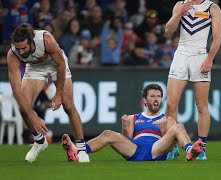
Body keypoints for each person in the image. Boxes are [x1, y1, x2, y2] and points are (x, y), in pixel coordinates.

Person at [6, 23, 90, 163]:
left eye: (24, 48)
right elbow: (16, 89)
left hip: (56, 64)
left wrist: (58, 93)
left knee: (68, 105)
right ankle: (39, 141)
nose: (21, 52)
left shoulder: (46, 40)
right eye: (18, 48)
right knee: (23, 109)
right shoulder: (13, 53)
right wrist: (33, 115)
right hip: (34, 68)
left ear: (31, 41)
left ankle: (81, 149)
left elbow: (61, 64)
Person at [61, 84, 203, 161]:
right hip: (135, 149)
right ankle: (78, 151)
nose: (156, 99)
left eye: (159, 96)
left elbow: (171, 146)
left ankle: (191, 151)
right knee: (108, 133)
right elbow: (127, 140)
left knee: (179, 127)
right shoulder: (133, 118)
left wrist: (163, 131)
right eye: (152, 96)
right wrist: (125, 128)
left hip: (156, 148)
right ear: (145, 100)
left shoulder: (167, 119)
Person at [164, 0, 221, 160]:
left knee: (202, 105)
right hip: (181, 54)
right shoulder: (179, 4)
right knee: (170, 103)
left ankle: (201, 147)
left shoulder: (212, 7)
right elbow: (168, 31)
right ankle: (172, 146)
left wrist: (210, 59)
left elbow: (217, 37)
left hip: (200, 55)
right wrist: (178, 13)